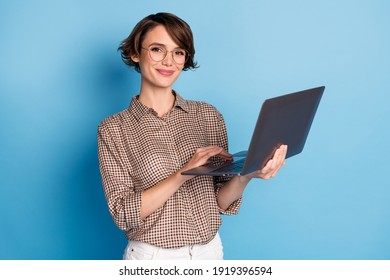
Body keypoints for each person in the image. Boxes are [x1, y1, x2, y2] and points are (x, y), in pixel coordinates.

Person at [97, 12, 287, 260]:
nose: (168, 61)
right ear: (135, 53)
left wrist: (248, 174)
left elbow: (219, 201)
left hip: (209, 252)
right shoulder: (114, 129)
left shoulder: (208, 116)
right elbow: (122, 213)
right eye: (157, 49)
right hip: (152, 259)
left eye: (178, 52)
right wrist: (183, 173)